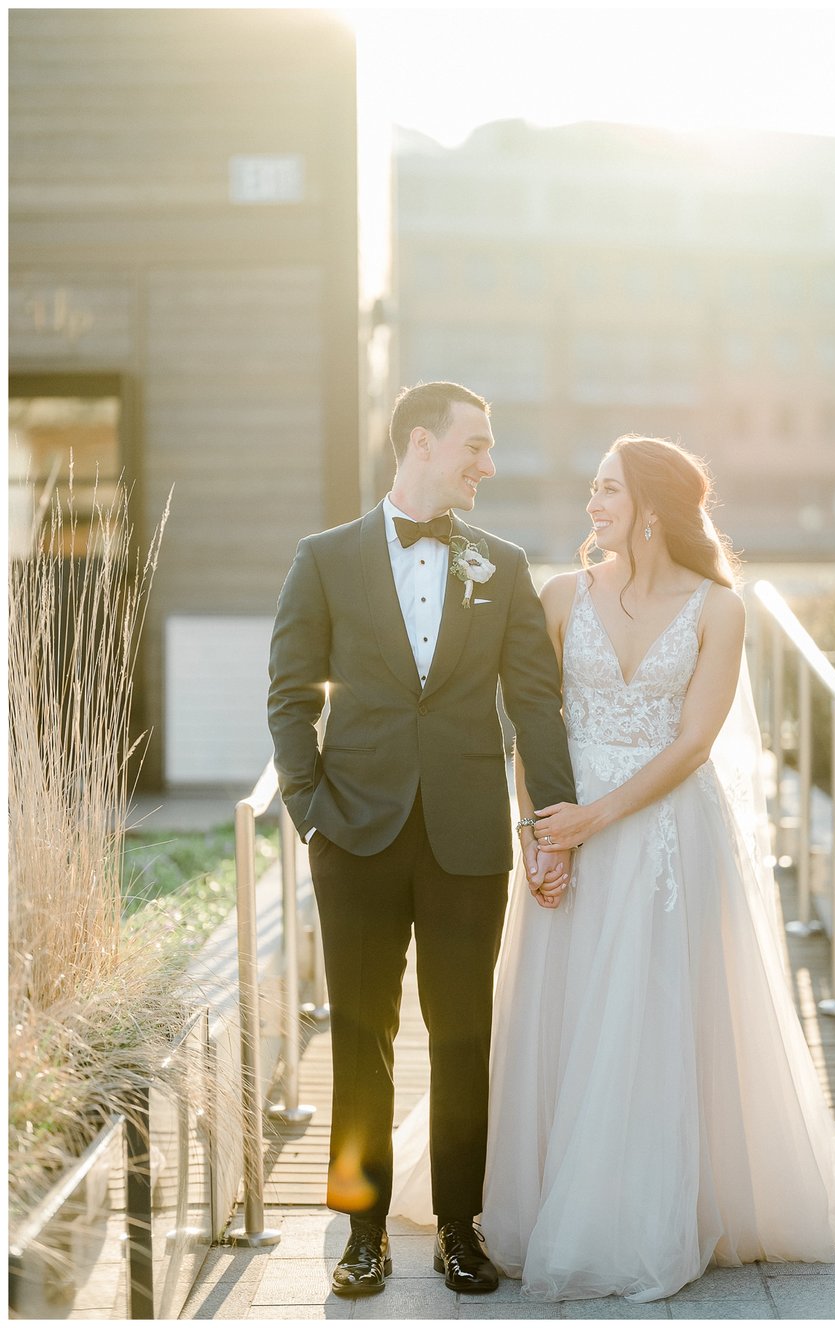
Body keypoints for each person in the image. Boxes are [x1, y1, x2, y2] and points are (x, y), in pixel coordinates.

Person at [478, 433, 835, 1300]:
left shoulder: (720, 610)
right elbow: (530, 722)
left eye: (607, 489)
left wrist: (596, 820)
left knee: (654, 1015)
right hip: (562, 822)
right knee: (565, 1008)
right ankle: (548, 1196)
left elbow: (695, 741)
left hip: (664, 833)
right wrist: (537, 831)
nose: (592, 504)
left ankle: (639, 1211)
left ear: (651, 507)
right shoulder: (559, 595)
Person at [267, 381, 576, 1298]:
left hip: (466, 839)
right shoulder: (322, 559)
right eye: (475, 445)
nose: (488, 463)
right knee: (359, 1034)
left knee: (462, 1035)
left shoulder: (504, 565)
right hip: (352, 836)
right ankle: (360, 1234)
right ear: (420, 444)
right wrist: (309, 808)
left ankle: (458, 1228)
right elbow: (289, 695)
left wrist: (551, 820)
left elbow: (534, 702)